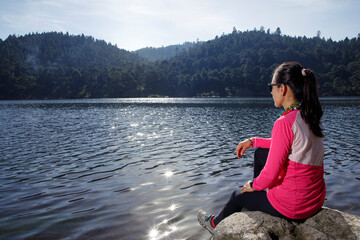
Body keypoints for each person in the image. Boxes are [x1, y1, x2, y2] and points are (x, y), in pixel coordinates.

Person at [197, 61, 326, 234]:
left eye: (271, 86)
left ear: (282, 89)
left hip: (294, 208)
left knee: (238, 195)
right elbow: (287, 145)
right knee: (261, 153)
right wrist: (253, 140)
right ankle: (262, 197)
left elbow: (272, 171)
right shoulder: (308, 116)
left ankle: (213, 224)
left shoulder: (284, 123)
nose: (271, 91)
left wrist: (254, 185)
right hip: (314, 201)